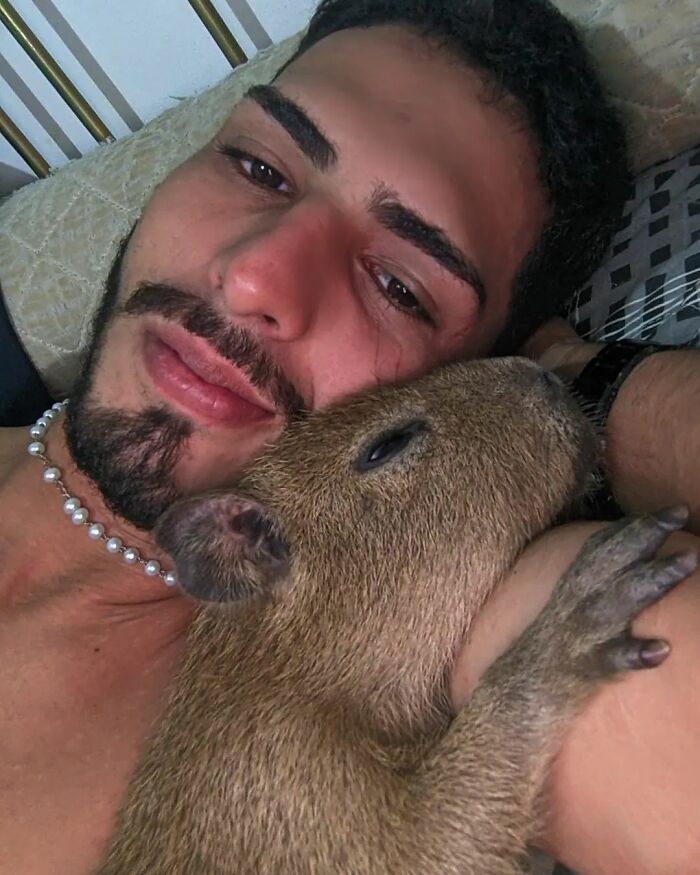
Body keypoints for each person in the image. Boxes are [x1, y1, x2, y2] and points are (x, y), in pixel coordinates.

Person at [0, 1, 697, 873]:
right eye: (258, 165)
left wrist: (588, 381)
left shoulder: (397, 612)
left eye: (401, 287)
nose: (255, 276)